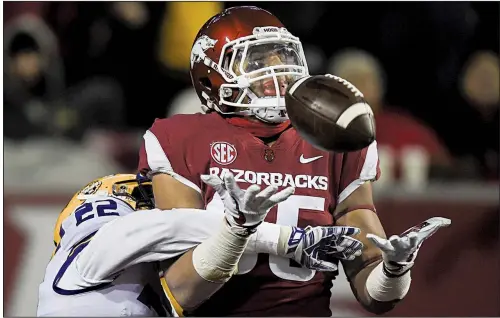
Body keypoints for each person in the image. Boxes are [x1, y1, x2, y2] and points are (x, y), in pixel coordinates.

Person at [138, 6, 450, 316]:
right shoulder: (180, 138)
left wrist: (394, 272)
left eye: (282, 56)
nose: (278, 70)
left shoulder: (332, 139)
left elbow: (375, 296)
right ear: (211, 79)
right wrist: (240, 232)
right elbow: (179, 291)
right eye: (258, 59)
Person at [38, 173, 359, 316]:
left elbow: (202, 246)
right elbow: (168, 227)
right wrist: (284, 239)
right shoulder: (85, 260)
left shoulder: (134, 278)